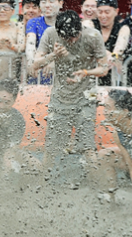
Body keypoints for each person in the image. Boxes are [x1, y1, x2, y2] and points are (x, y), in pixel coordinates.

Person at [33, 10, 109, 170]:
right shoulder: (50, 33)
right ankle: (43, 186)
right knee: (51, 148)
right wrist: (53, 55)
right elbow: (34, 65)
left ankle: (100, 189)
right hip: (60, 96)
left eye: (75, 36)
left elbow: (104, 68)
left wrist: (86, 72)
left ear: (80, 29)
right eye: (67, 38)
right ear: (59, 33)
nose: (72, 40)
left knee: (88, 146)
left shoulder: (93, 35)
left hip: (88, 95)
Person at [25, 0, 65, 84]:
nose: (47, 5)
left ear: (61, 3)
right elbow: (30, 43)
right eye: (43, 2)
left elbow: (72, 48)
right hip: (38, 76)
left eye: (51, 1)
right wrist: (31, 62)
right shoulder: (33, 23)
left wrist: (53, 61)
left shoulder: (66, 23)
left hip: (62, 77)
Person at [91, 0, 130, 86]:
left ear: (116, 11)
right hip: (90, 77)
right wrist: (105, 53)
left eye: (107, 12)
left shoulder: (122, 28)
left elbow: (119, 50)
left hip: (113, 79)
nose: (103, 16)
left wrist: (112, 55)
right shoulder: (90, 24)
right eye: (100, 12)